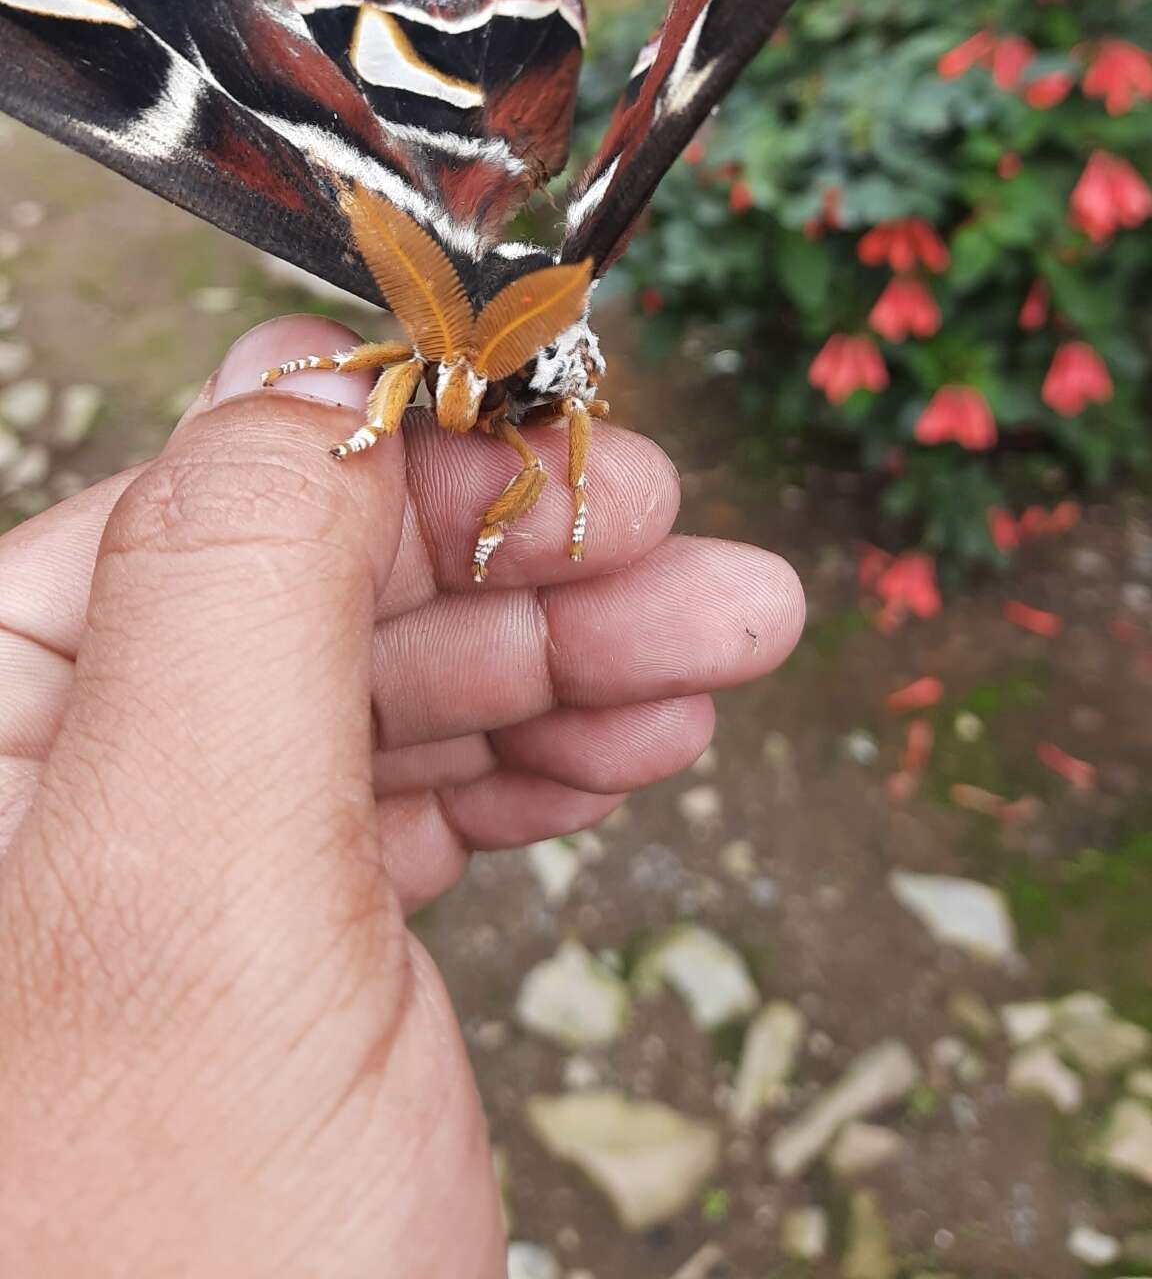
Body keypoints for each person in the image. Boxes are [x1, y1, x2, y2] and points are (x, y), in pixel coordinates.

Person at [0, 313, 803, 1274]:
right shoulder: (443, 359)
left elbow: (538, 443)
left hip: (516, 360)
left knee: (529, 469)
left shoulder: (529, 404)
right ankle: (382, 396)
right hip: (463, 355)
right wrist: (358, 399)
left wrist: (564, 482)